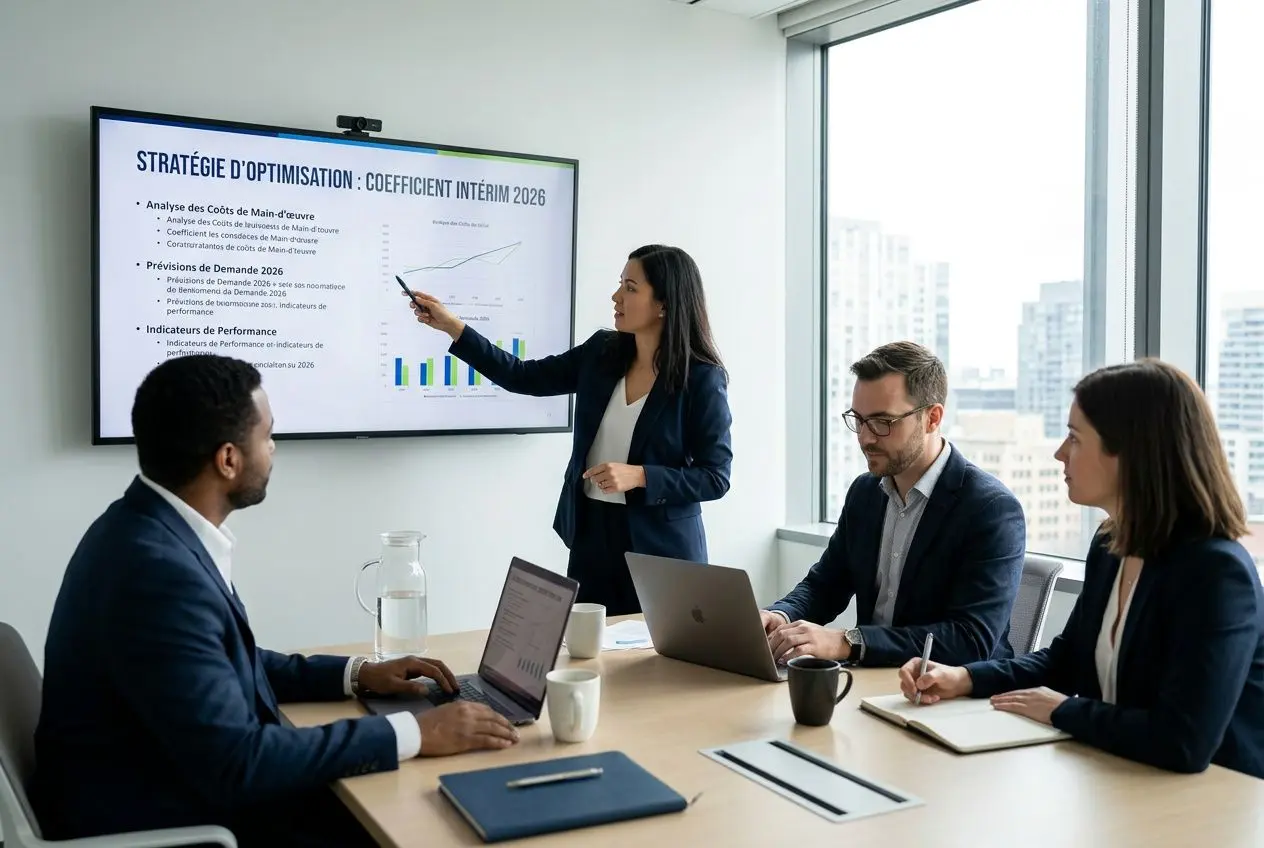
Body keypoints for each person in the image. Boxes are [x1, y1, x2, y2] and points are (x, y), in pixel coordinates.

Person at [32, 355, 519, 846]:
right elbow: (239, 762)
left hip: (167, 787)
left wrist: (356, 674)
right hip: (173, 821)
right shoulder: (157, 573)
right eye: (267, 437)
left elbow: (219, 665)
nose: (274, 450)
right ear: (228, 459)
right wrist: (415, 734)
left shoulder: (141, 528)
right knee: (429, 824)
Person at [899, 358, 1264, 778]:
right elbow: (1068, 661)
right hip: (1120, 780)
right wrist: (963, 677)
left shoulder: (1215, 573)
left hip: (1214, 807)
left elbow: (1183, 741)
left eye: (1074, 438)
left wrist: (1062, 710)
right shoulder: (1112, 545)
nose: (1059, 453)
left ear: (1129, 452)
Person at [402, 244, 732, 615]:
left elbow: (715, 477)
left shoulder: (701, 379)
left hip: (663, 550)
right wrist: (452, 326)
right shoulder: (601, 352)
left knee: (656, 662)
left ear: (664, 304)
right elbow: (522, 376)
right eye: (619, 284)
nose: (616, 295)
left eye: (630, 287)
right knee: (588, 655)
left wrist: (641, 476)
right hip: (592, 536)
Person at [763, 341, 1026, 668]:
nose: (865, 437)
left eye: (882, 422)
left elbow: (970, 640)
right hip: (873, 684)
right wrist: (780, 616)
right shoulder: (865, 492)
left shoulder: (990, 509)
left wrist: (849, 641)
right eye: (858, 420)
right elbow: (826, 584)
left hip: (950, 698)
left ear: (932, 418)